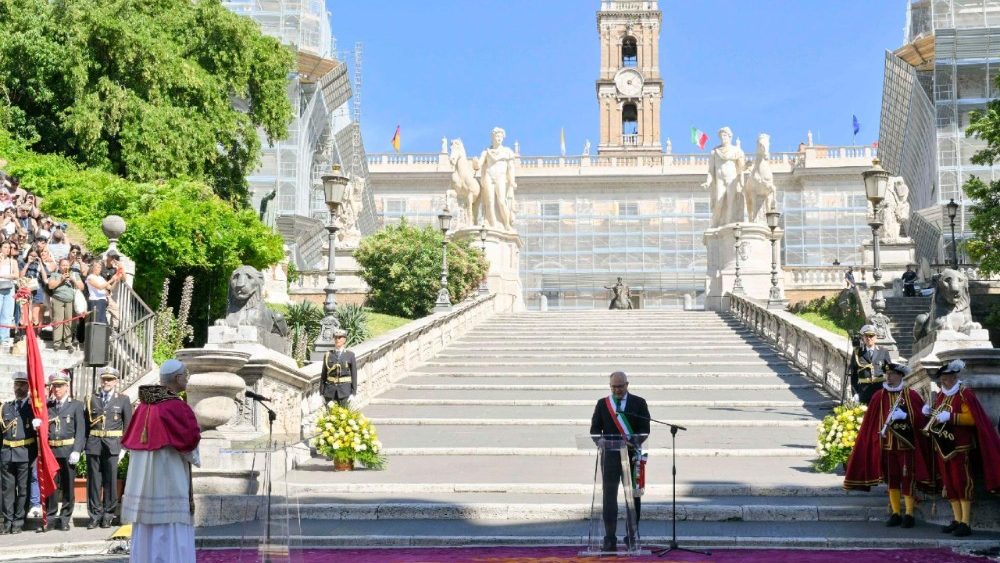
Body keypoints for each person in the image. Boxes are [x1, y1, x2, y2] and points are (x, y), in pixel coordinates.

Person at [121, 359, 201, 563]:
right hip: (169, 479)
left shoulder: (143, 406)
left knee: (148, 529)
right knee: (170, 529)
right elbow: (190, 443)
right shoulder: (177, 407)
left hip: (145, 486)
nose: (187, 378)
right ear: (176, 378)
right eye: (185, 375)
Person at [844, 360, 934, 528]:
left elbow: (921, 420)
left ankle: (909, 513)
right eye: (887, 374)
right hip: (887, 446)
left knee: (907, 479)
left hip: (906, 446)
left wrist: (906, 417)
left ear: (900, 375)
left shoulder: (911, 395)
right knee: (892, 480)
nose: (889, 377)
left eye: (892, 374)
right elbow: (871, 423)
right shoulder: (879, 396)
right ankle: (895, 513)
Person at [922, 359, 1000, 537]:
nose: (943, 381)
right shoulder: (943, 394)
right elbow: (938, 414)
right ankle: (956, 519)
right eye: (941, 378)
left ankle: (965, 522)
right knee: (949, 485)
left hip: (960, 446)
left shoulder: (965, 394)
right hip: (943, 446)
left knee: (961, 483)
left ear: (954, 376)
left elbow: (972, 419)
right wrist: (929, 411)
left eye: (946, 377)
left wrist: (951, 416)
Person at [589, 371, 650, 552]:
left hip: (632, 457)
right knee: (609, 498)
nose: (617, 390)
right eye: (614, 387)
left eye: (620, 386)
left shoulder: (639, 403)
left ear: (627, 384)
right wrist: (600, 441)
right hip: (609, 458)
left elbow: (644, 429)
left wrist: (632, 443)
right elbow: (594, 431)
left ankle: (632, 536)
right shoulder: (602, 404)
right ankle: (609, 538)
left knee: (634, 497)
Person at [84, 367, 132, 529]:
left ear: (116, 381)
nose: (107, 382)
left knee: (111, 481)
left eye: (110, 379)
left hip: (113, 445)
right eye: (104, 379)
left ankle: (108, 514)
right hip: (94, 444)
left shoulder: (123, 400)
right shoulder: (92, 399)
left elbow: (128, 425)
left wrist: (125, 448)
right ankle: (94, 515)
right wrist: (83, 446)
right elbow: (85, 425)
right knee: (94, 482)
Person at [40, 370, 84, 532]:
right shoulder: (48, 406)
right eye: (54, 386)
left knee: (67, 486)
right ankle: (50, 518)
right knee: (51, 486)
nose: (56, 389)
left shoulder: (76, 405)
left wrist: (77, 450)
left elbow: (80, 430)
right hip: (51, 451)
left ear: (67, 386)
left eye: (60, 386)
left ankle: (65, 518)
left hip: (68, 450)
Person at [1, 372, 41, 534]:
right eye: (17, 385)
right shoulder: (6, 407)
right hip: (7, 453)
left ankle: (18, 520)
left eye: (23, 384)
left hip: (25, 453)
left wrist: (38, 424)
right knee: (7, 490)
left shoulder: (33, 408)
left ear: (28, 387)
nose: (19, 388)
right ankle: (7, 521)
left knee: (23, 489)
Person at [701, 126, 746, 228]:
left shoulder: (736, 151)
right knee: (718, 200)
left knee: (731, 202)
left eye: (725, 135)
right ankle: (716, 223)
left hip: (732, 178)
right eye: (721, 136)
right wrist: (708, 182)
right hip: (720, 179)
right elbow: (711, 171)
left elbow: (741, 168)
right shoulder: (715, 152)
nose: (723, 138)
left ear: (730, 136)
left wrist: (746, 167)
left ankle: (728, 223)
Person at [45, 258, 83, 351]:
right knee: (58, 321)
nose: (65, 267)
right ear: (59, 266)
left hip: (70, 301)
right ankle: (57, 343)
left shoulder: (74, 274)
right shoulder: (55, 274)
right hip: (58, 299)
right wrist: (61, 279)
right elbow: (50, 286)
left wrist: (73, 280)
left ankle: (68, 343)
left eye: (67, 265)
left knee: (69, 322)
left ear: (69, 266)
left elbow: (82, 287)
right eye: (63, 265)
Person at [847, 325, 891, 404]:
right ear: (863, 337)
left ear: (876, 337)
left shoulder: (883, 351)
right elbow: (853, 375)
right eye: (866, 336)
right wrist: (855, 393)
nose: (869, 338)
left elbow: (890, 371)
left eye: (871, 336)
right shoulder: (857, 353)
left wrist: (890, 389)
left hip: (880, 390)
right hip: (863, 391)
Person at [321, 328, 357, 407]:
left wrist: (353, 393)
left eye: (340, 337)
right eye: (336, 337)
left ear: (344, 340)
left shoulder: (350, 355)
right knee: (329, 417)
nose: (337, 339)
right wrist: (321, 393)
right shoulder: (328, 355)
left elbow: (354, 375)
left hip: (344, 391)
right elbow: (323, 375)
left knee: (344, 416)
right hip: (330, 392)